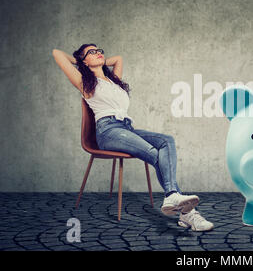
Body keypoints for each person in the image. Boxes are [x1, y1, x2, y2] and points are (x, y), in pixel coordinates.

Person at [52, 44, 213, 232]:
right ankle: (181, 205)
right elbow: (57, 54)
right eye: (92, 52)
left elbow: (118, 58)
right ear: (84, 61)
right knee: (154, 154)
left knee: (166, 141)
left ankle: (181, 207)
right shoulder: (84, 82)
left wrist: (94, 58)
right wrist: (80, 61)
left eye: (99, 50)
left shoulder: (113, 80)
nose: (98, 53)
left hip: (126, 128)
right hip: (108, 132)